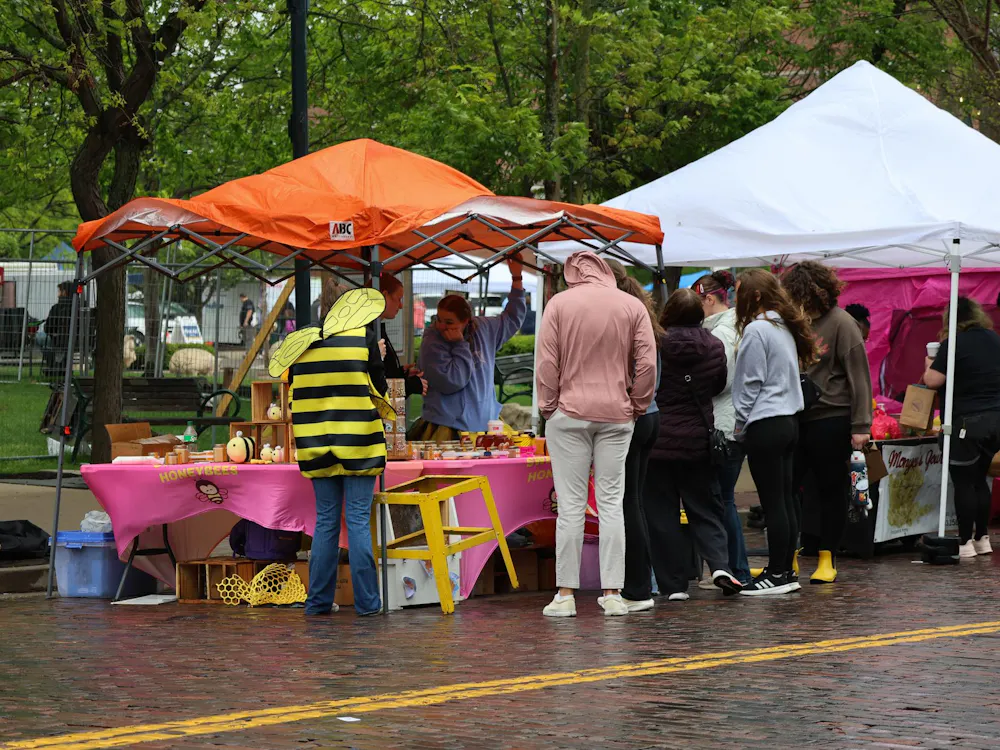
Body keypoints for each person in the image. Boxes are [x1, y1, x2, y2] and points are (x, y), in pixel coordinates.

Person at [536, 251, 656, 617]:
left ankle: (565, 595)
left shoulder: (558, 304)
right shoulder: (631, 305)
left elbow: (546, 362)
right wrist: (637, 404)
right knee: (611, 504)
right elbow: (648, 362)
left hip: (568, 413)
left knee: (571, 507)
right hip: (617, 415)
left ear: (573, 274)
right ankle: (614, 593)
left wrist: (548, 406)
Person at [271, 283, 392, 616]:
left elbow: (293, 386)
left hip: (315, 442)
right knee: (356, 520)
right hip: (359, 442)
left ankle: (318, 602)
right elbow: (379, 389)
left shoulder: (302, 340)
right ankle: (368, 604)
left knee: (325, 522)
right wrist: (377, 358)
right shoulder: (363, 338)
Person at [644, 288, 743, 600]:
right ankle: (719, 566)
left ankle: (673, 585)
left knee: (662, 514)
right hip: (699, 441)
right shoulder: (714, 346)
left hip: (658, 441)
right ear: (700, 315)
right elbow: (717, 385)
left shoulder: (654, 344)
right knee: (706, 509)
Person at [782, 262, 872, 585]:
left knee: (830, 489)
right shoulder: (792, 323)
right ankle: (787, 557)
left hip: (831, 418)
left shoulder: (842, 324)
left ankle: (827, 557)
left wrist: (861, 426)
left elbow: (859, 377)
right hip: (796, 416)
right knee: (789, 488)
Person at [732, 269, 816, 596]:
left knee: (773, 503)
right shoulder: (783, 326)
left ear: (754, 295)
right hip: (789, 420)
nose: (735, 297)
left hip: (765, 422)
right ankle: (784, 570)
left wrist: (739, 426)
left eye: (739, 291)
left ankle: (778, 573)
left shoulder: (757, 329)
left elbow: (750, 382)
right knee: (785, 500)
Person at [408, 258, 526, 441]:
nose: (441, 326)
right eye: (438, 319)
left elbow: (513, 317)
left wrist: (517, 278)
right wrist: (459, 345)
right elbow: (452, 381)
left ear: (466, 321)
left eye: (449, 322)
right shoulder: (432, 341)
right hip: (447, 428)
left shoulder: (484, 328)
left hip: (486, 424)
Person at [923, 297, 1000, 558]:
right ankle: (983, 538)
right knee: (981, 480)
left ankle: (965, 541)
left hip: (966, 422)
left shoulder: (954, 343)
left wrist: (928, 364)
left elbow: (932, 381)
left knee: (964, 482)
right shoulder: (994, 339)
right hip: (996, 422)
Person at [606, 260, 663, 612]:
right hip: (650, 415)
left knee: (625, 502)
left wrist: (631, 404)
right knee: (634, 501)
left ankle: (637, 587)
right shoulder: (640, 315)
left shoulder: (619, 319)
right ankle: (643, 583)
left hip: (632, 415)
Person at [692, 270, 751, 586]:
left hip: (724, 427)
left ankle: (735, 569)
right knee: (721, 500)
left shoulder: (724, 332)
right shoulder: (727, 327)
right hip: (727, 424)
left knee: (723, 500)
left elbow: (721, 379)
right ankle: (731, 568)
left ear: (709, 298)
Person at [377, 273, 427, 398]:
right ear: (385, 296)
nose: (400, 305)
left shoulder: (376, 329)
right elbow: (377, 387)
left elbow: (382, 372)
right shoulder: (370, 333)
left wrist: (400, 373)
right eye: (398, 299)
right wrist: (411, 385)